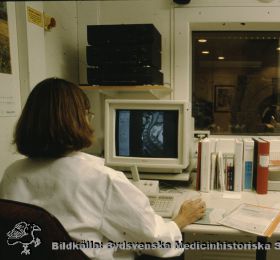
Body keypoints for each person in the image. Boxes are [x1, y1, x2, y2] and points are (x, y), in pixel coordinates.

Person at [0, 78, 205, 259]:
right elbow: (155, 240)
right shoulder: (101, 179)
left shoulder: (12, 173)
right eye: (88, 115)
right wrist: (181, 219)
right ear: (78, 121)